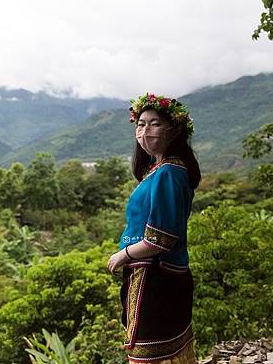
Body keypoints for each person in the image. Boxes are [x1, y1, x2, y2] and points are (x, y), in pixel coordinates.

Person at [107, 93, 201, 364]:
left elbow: (160, 239)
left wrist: (122, 255)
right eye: (140, 124)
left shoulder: (169, 173)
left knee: (150, 353)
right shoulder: (158, 169)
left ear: (175, 130)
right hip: (158, 274)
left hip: (156, 276)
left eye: (154, 124)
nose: (144, 131)